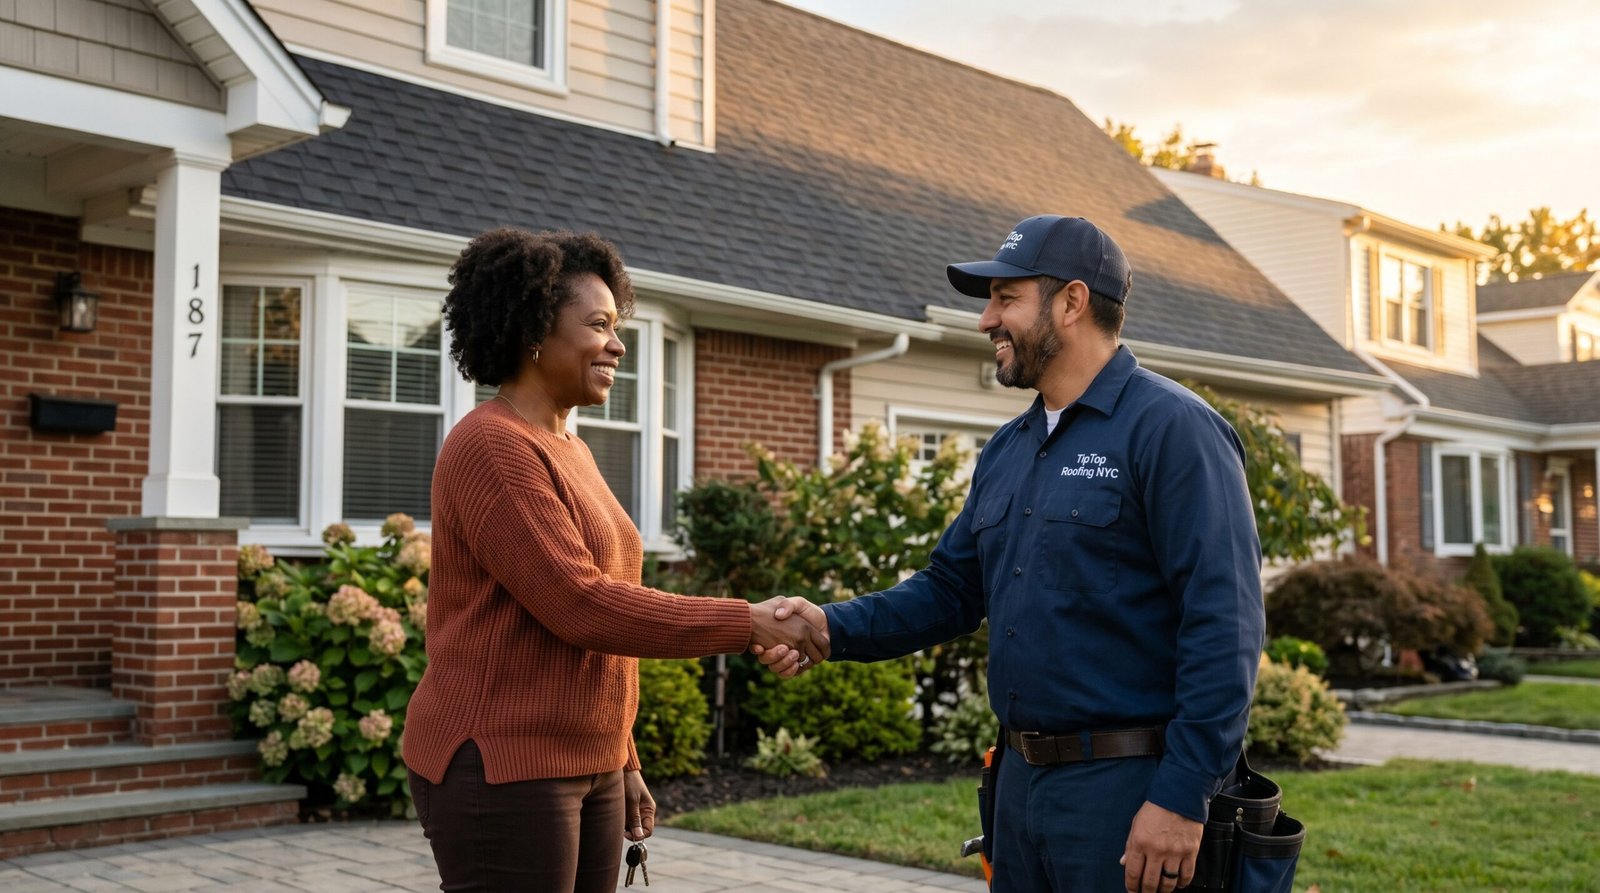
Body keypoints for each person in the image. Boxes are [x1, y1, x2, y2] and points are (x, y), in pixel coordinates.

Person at [760, 215, 1264, 893]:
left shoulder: (1174, 430)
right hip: (1021, 788)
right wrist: (829, 626)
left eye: (1006, 299)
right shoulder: (1009, 447)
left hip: (1126, 790)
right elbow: (950, 589)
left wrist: (1180, 794)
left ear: (1072, 302)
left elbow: (1225, 622)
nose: (985, 319)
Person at [403, 227, 829, 893]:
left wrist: (621, 756)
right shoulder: (493, 445)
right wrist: (749, 621)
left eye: (617, 323)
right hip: (503, 761)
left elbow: (606, 610)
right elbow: (581, 603)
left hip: (590, 762)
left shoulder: (568, 446)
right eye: (598, 323)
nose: (618, 343)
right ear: (533, 331)